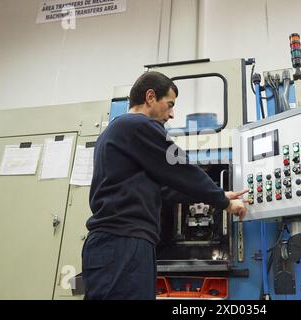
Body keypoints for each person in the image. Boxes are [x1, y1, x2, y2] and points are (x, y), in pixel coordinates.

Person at [82, 71, 248, 300]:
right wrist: (223, 202)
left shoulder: (118, 131)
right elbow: (181, 168)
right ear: (150, 97)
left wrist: (221, 195)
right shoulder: (136, 125)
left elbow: (165, 189)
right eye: (169, 105)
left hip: (119, 243)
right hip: (123, 243)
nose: (171, 114)